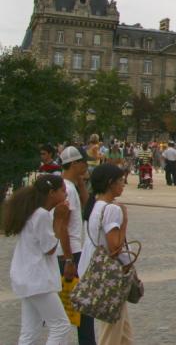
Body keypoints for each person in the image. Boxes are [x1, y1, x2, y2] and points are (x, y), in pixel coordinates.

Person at [3, 173, 74, 345]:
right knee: (60, 325)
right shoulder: (41, 215)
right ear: (52, 193)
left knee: (30, 331)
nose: (66, 195)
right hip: (37, 279)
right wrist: (59, 219)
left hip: (26, 277)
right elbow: (49, 249)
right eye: (63, 191)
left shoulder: (32, 212)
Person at [81, 164, 134, 342]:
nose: (123, 184)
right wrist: (124, 220)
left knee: (123, 330)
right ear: (111, 183)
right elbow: (115, 246)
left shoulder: (96, 205)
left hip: (97, 270)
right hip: (111, 276)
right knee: (111, 331)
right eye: (120, 181)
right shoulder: (112, 209)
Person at [56, 146, 96, 345]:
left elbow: (87, 207)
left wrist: (81, 184)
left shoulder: (70, 186)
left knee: (81, 307)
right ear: (74, 164)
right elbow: (63, 226)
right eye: (83, 162)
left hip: (72, 251)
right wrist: (69, 259)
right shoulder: (67, 190)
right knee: (84, 308)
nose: (86, 165)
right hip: (71, 253)